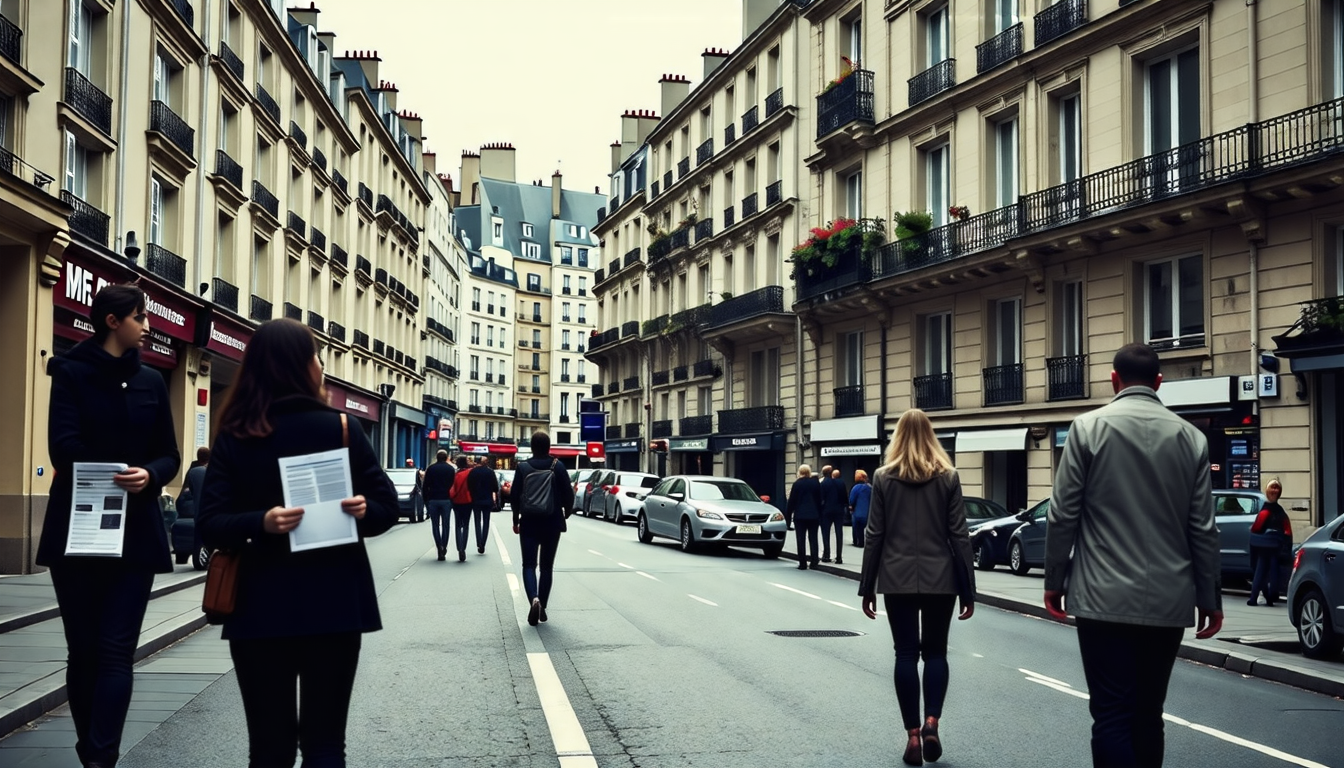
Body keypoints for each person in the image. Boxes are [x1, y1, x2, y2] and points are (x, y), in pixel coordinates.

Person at [197, 318, 398, 768]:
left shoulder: (237, 433)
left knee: (269, 749)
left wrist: (259, 522)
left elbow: (210, 522)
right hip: (335, 602)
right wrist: (364, 511)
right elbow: (387, 507)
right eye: (315, 355)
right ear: (302, 365)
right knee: (326, 744)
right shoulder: (341, 428)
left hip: (259, 605)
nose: (320, 364)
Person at [1045, 343, 1222, 768]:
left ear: (1113, 379)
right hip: (1168, 599)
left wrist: (1055, 580)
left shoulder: (1087, 429)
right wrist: (1209, 598)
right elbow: (1203, 527)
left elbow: (1062, 514)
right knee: (1149, 714)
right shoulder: (1192, 438)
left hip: (1101, 599)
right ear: (1160, 382)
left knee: (1110, 714)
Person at [40, 283, 181, 768]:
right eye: (141, 317)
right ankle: (89, 749)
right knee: (83, 650)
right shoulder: (71, 372)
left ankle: (103, 758)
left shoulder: (153, 382)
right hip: (79, 529)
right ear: (113, 321)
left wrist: (152, 474)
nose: (148, 325)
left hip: (135, 533)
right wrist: (115, 468)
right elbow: (63, 446)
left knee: (117, 649)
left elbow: (170, 454)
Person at [860, 409, 975, 767]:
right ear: (930, 436)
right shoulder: (948, 477)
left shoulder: (882, 477)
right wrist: (968, 590)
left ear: (897, 438)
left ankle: (912, 735)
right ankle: (931, 722)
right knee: (937, 653)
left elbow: (874, 534)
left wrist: (867, 586)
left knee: (905, 654)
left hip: (896, 578)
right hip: (941, 577)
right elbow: (959, 535)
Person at [510, 431, 575, 626]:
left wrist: (516, 520)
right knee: (547, 567)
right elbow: (568, 493)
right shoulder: (558, 466)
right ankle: (543, 607)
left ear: (531, 447)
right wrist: (566, 512)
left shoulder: (522, 468)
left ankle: (534, 599)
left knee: (528, 565)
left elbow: (514, 496)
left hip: (529, 521)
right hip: (552, 521)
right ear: (549, 447)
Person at [1248, 478, 1292, 606]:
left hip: (1263, 548)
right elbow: (1287, 531)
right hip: (1276, 548)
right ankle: (1270, 596)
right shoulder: (1281, 512)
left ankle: (1254, 598)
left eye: (1275, 488)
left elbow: (1256, 528)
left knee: (1259, 571)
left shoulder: (1265, 511)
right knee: (1273, 572)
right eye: (1272, 487)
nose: (1274, 490)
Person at [785, 465, 822, 570]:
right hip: (814, 515)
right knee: (813, 538)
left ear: (799, 472)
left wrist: (788, 517)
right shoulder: (815, 483)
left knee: (800, 539)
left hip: (800, 516)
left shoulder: (797, 484)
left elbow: (791, 501)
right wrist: (820, 514)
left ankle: (803, 563)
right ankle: (814, 561)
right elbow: (820, 500)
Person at [422, 450, 456, 561]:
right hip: (446, 499)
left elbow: (425, 485)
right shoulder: (451, 469)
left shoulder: (431, 469)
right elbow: (453, 485)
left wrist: (426, 500)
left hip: (433, 499)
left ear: (436, 457)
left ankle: (439, 547)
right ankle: (444, 546)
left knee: (435, 525)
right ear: (446, 458)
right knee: (446, 525)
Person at [468, 456, 500, 555]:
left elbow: (469, 485)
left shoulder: (473, 472)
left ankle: (479, 542)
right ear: (486, 463)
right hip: (487, 500)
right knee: (486, 522)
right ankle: (483, 543)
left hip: (476, 500)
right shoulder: (490, 472)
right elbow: (495, 487)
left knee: (477, 521)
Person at [819, 468, 847, 564]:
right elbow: (845, 498)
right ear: (831, 473)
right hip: (839, 510)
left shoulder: (823, 484)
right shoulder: (841, 483)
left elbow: (821, 499)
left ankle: (826, 555)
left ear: (823, 473)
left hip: (826, 511)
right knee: (839, 533)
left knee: (825, 533)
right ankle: (839, 557)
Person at [449, 456, 473, 561]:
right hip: (468, 501)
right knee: (466, 525)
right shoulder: (470, 473)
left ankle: (459, 548)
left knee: (458, 525)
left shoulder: (455, 475)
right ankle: (463, 547)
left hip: (457, 501)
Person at [848, 469, 872, 547]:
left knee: (857, 528)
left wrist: (851, 506)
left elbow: (852, 500)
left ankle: (857, 541)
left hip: (857, 512)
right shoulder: (870, 488)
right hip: (868, 512)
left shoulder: (856, 488)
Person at [405, 457, 425, 523]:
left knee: (420, 501)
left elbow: (421, 479)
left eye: (410, 463)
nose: (410, 464)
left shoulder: (416, 471)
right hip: (409, 487)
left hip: (416, 489)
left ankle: (420, 516)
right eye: (408, 463)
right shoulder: (406, 471)